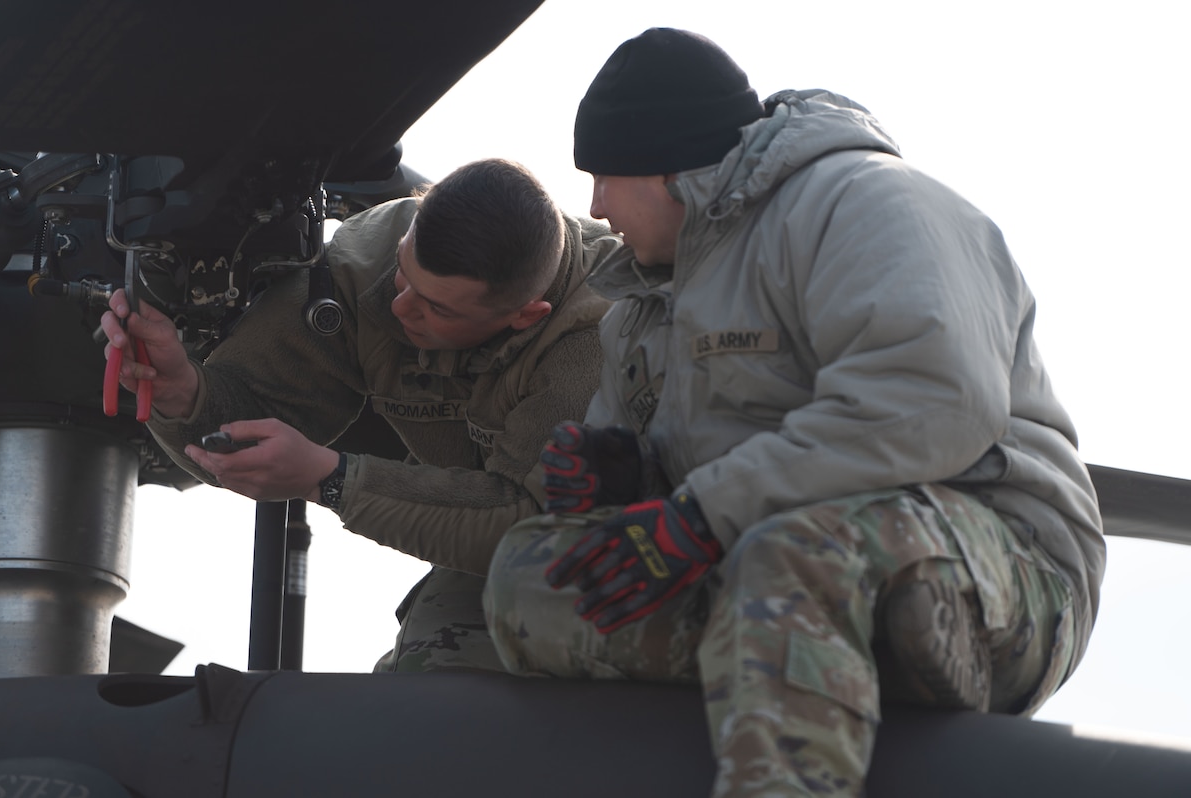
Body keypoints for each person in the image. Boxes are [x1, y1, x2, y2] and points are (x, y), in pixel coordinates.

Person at [481, 29, 1105, 797]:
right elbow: (687, 512)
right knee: (536, 572)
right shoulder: (640, 308)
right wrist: (632, 482)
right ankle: (781, 692)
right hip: (769, 569)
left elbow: (932, 405)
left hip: (1001, 570)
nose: (595, 207)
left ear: (672, 169)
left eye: (607, 178)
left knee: (794, 554)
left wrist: (702, 514)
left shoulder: (865, 203)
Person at [101, 157, 621, 673]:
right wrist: (182, 392)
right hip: (502, 533)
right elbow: (252, 410)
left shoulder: (597, 336)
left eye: (437, 309)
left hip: (619, 543)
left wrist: (332, 481)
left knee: (447, 687)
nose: (400, 308)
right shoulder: (364, 265)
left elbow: (529, 524)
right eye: (404, 271)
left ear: (526, 315)